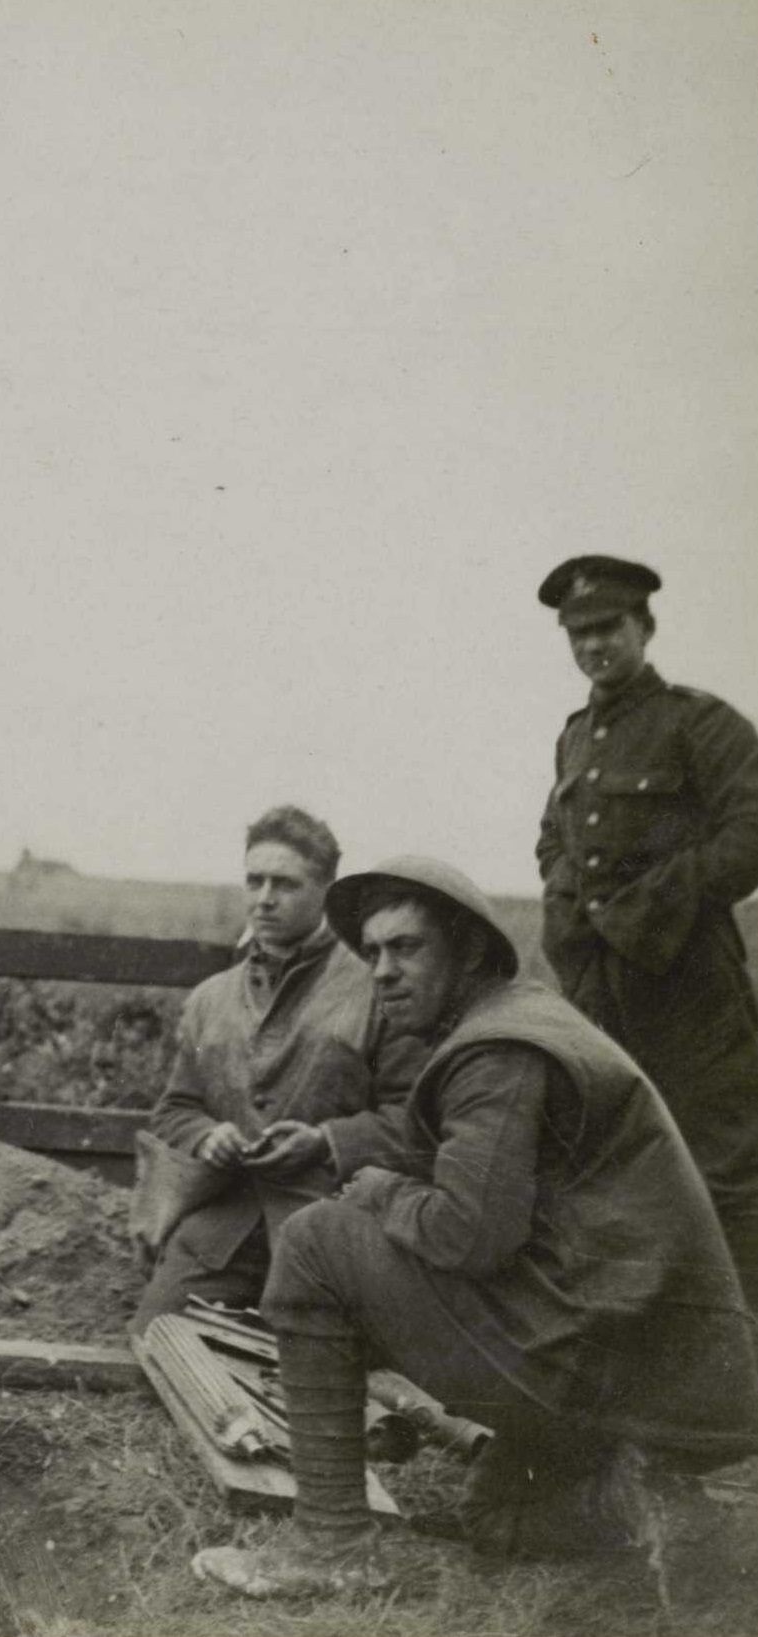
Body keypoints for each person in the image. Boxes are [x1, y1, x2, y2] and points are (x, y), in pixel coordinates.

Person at [192, 856, 758, 1601]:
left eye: (407, 947)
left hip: (598, 1350)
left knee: (313, 1240)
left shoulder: (496, 1050)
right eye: (373, 952)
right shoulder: (518, 1019)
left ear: (469, 952)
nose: (383, 971)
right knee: (502, 1515)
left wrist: (379, 1191)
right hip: (641, 1361)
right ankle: (641, 1499)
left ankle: (328, 1543)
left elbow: (468, 1235)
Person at [533, 555, 758, 1311]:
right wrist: (568, 912)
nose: (593, 646)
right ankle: (656, 1352)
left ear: (644, 627)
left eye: (607, 628)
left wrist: (656, 906)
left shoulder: (701, 723)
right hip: (601, 992)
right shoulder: (572, 739)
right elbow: (551, 840)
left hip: (690, 987)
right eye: (578, 634)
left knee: (721, 1173)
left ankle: (741, 1374)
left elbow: (749, 834)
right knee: (617, 1164)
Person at [134, 807, 420, 1328]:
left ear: (327, 890)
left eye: (285, 883)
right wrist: (206, 1135)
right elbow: (175, 1108)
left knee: (313, 1361)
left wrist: (326, 1141)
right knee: (157, 1335)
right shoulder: (211, 999)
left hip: (335, 1224)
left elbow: (414, 1122)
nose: (264, 899)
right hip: (227, 1227)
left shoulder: (376, 988)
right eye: (254, 880)